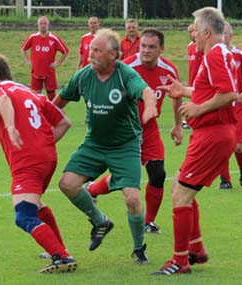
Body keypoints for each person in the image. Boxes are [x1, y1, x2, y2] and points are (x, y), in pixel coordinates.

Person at [53, 28, 158, 264]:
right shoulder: (83, 76)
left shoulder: (124, 74)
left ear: (113, 55)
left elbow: (146, 91)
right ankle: (100, 221)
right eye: (90, 49)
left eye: (97, 50)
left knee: (132, 199)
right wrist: (42, 122)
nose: (91, 54)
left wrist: (150, 107)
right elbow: (59, 101)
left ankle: (139, 247)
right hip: (94, 144)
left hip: (125, 146)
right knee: (67, 184)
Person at [152, 7, 238, 275]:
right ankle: (196, 249)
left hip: (212, 133)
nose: (193, 38)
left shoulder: (214, 55)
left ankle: (180, 261)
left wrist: (198, 109)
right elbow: (215, 91)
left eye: (195, 31)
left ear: (206, 32)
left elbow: (227, 94)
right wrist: (185, 91)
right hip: (216, 132)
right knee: (180, 184)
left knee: (181, 194)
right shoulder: (223, 54)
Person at [0, 53, 77, 274]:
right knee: (36, 205)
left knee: (24, 215)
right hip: (47, 158)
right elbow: (64, 123)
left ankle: (62, 256)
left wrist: (11, 127)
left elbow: (2, 101)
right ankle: (59, 249)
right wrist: (43, 144)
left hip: (27, 160)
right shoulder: (30, 92)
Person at [87, 29, 183, 234]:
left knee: (158, 173)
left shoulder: (169, 71)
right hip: (124, 132)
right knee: (123, 178)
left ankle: (149, 221)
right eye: (143, 47)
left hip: (149, 130)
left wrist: (177, 125)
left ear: (161, 49)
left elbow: (177, 96)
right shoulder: (126, 67)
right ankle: (92, 190)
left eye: (151, 47)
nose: (146, 51)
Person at [218, 21, 242, 189]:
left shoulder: (240, 55)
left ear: (230, 35)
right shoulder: (214, 56)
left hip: (240, 106)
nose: (222, 37)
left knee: (238, 146)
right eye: (220, 34)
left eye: (225, 34)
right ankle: (225, 180)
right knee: (221, 143)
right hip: (221, 105)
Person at [21, 16, 69, 101]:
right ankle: (37, 113)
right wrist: (28, 61)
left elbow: (65, 51)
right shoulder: (33, 37)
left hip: (49, 71)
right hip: (36, 70)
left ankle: (53, 112)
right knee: (35, 96)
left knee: (52, 96)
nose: (43, 26)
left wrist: (57, 63)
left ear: (48, 25)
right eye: (41, 24)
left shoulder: (53, 38)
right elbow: (23, 48)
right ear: (37, 25)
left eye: (44, 23)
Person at [183, 23, 204, 130]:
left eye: (193, 31)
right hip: (192, 78)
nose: (192, 34)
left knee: (199, 99)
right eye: (190, 32)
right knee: (193, 99)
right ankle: (189, 120)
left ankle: (192, 120)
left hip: (200, 79)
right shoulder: (190, 46)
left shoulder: (202, 47)